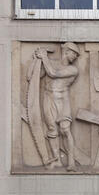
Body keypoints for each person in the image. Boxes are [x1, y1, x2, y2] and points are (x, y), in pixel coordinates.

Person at [35, 42, 80, 171]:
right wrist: (37, 60)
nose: (75, 56)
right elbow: (34, 76)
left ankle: (71, 162)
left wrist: (44, 58)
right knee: (51, 129)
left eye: (77, 54)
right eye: (74, 53)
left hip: (62, 100)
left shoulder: (73, 69)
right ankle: (57, 160)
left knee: (65, 130)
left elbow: (53, 73)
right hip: (48, 98)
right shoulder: (51, 62)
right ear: (66, 51)